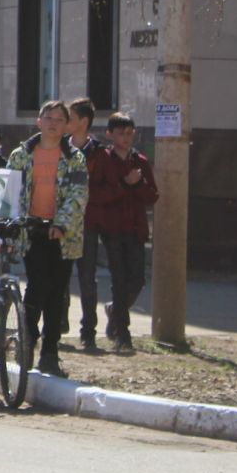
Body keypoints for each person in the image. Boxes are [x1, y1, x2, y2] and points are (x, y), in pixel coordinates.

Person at [7, 99, 89, 377]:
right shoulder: (21, 155)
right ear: (38, 121)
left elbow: (79, 195)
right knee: (37, 284)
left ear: (66, 125)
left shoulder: (75, 157)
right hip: (32, 230)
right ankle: (28, 335)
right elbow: (9, 191)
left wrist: (61, 224)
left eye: (59, 119)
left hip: (63, 235)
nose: (53, 123)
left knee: (57, 292)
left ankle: (50, 351)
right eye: (48, 117)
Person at [82, 112, 157, 352]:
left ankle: (115, 310)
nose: (125, 138)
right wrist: (124, 185)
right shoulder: (103, 159)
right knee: (119, 279)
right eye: (120, 133)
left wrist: (138, 184)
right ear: (109, 135)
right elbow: (94, 194)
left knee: (137, 279)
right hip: (111, 228)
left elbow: (152, 196)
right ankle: (122, 333)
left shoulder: (140, 161)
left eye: (129, 133)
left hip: (135, 228)